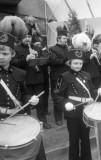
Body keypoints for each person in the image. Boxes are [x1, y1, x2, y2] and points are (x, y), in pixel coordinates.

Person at [0, 16, 46, 160]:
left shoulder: (20, 73)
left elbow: (24, 95)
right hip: (2, 121)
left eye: (5, 53)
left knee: (36, 147)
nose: (1, 57)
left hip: (21, 117)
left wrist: (30, 99)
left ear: (12, 54)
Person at [52, 49, 101, 160]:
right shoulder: (64, 76)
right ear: (69, 63)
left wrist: (98, 91)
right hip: (73, 112)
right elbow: (56, 95)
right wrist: (66, 103)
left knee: (85, 138)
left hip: (86, 111)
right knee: (74, 139)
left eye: (80, 63)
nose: (78, 65)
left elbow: (91, 90)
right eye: (75, 63)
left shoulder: (86, 75)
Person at [12, 28, 51, 129]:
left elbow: (45, 62)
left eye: (29, 37)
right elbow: (14, 63)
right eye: (25, 37)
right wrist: (26, 59)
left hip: (38, 78)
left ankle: (43, 121)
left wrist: (38, 57)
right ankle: (28, 124)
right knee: (27, 102)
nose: (27, 39)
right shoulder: (16, 49)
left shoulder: (37, 48)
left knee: (40, 102)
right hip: (25, 80)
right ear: (21, 38)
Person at [49, 24, 69, 126]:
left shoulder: (67, 48)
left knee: (66, 95)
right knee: (57, 96)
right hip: (57, 77)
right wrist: (65, 61)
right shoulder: (52, 49)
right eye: (64, 38)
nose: (66, 40)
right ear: (58, 38)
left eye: (66, 38)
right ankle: (58, 118)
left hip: (67, 76)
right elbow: (52, 61)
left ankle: (66, 114)